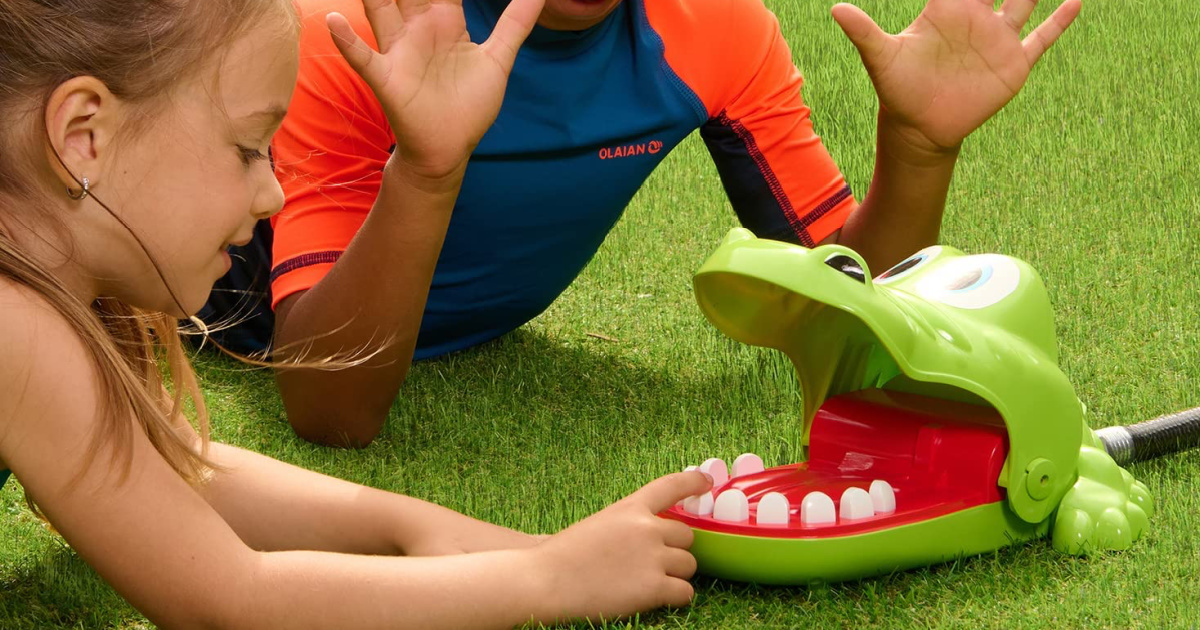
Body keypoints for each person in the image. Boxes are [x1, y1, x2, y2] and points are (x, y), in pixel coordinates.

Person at [0, 0, 714, 626]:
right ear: (83, 134)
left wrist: (431, 531)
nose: (272, 195)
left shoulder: (47, 286)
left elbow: (179, 467)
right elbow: (230, 598)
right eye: (249, 149)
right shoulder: (14, 322)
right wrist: (550, 580)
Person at [201, 0, 1082, 447]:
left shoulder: (715, 29)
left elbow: (854, 300)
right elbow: (332, 410)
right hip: (213, 304)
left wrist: (920, 150)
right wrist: (428, 167)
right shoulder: (357, 33)